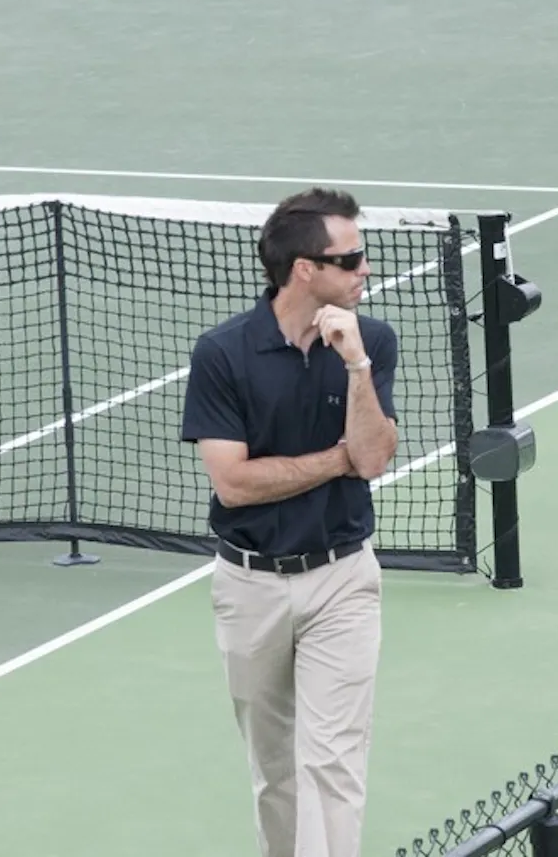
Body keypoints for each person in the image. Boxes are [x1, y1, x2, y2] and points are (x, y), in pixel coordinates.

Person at [180, 187, 399, 857]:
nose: (366, 268)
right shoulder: (223, 353)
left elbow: (376, 456)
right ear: (305, 268)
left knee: (331, 759)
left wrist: (356, 363)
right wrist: (338, 459)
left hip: (342, 580)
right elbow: (236, 483)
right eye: (352, 257)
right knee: (276, 771)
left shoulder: (373, 341)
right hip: (250, 587)